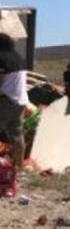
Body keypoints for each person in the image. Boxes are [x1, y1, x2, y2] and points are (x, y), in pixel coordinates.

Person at [0, 34, 28, 170]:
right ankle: (19, 166)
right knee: (17, 133)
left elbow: (1, 80)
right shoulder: (18, 57)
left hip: (8, 99)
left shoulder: (2, 57)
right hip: (21, 100)